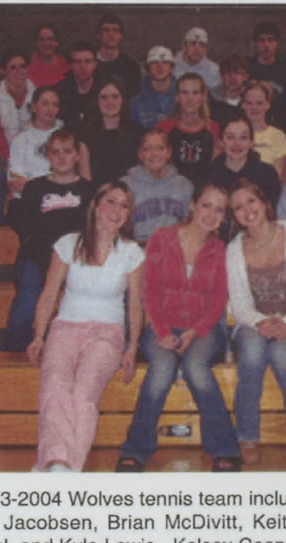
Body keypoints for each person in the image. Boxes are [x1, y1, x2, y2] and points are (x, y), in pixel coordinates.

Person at [117, 183, 241, 473]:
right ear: (193, 205)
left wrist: (195, 331)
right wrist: (162, 331)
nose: (211, 215)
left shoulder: (219, 250)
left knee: (197, 367)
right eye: (206, 206)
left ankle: (224, 448)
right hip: (162, 326)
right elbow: (150, 291)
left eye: (219, 210)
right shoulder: (161, 239)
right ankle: (136, 449)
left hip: (204, 330)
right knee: (161, 370)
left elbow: (218, 301)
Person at [27, 181, 144, 472]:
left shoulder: (132, 252)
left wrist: (132, 347)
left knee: (83, 393)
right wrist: (39, 336)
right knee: (55, 385)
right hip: (65, 327)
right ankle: (57, 462)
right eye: (111, 202)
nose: (116, 211)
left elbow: (135, 304)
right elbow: (49, 293)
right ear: (95, 205)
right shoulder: (68, 244)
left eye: (124, 205)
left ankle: (65, 467)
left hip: (108, 333)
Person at [227, 179, 286, 464]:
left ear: (264, 203)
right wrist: (260, 322)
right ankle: (247, 435)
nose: (247, 210)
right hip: (253, 324)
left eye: (251, 201)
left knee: (281, 354)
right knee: (253, 351)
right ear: (234, 216)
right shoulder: (234, 249)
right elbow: (239, 304)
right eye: (238, 207)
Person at [5, 129, 95, 351]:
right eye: (55, 152)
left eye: (67, 151)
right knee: (26, 302)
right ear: (48, 156)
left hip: (76, 258)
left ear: (77, 156)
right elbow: (27, 229)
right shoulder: (34, 188)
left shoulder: (88, 190)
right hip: (37, 256)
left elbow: (91, 231)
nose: (61, 157)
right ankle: (18, 351)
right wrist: (47, 258)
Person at [0, 49, 35, 225]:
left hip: (31, 151)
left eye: (22, 66)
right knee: (1, 172)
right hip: (2, 153)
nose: (19, 71)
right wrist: (11, 160)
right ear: (3, 70)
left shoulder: (37, 93)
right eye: (13, 68)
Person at [122, 128, 193, 246]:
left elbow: (189, 225)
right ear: (140, 154)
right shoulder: (126, 185)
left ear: (169, 152)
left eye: (160, 148)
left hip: (173, 248)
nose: (154, 153)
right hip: (137, 248)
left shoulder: (184, 185)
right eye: (147, 149)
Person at [7, 85, 64, 229]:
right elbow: (16, 183)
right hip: (29, 205)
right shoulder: (20, 141)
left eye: (55, 104)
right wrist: (47, 186)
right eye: (45, 103)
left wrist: (31, 185)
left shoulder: (66, 138)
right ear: (33, 107)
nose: (50, 109)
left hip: (61, 203)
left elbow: (66, 178)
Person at [206, 113, 281, 219]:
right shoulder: (209, 174)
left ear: (251, 142)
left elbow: (271, 214)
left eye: (243, 138)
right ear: (221, 142)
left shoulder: (267, 174)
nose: (237, 143)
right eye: (230, 137)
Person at [157, 72, 220, 186]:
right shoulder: (163, 128)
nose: (190, 98)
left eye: (195, 93)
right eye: (184, 92)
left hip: (205, 189)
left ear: (203, 96)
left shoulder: (215, 129)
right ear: (177, 97)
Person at [83, 76, 142, 188]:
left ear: (123, 100)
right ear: (97, 101)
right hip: (98, 195)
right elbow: (86, 181)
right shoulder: (86, 136)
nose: (109, 102)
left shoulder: (137, 133)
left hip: (131, 193)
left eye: (115, 97)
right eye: (104, 97)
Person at [241, 80, 286, 181]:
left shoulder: (278, 136)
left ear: (267, 104)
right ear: (243, 105)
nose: (254, 107)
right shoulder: (234, 134)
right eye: (249, 103)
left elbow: (278, 175)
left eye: (259, 103)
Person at [56, 41, 99, 139]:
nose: (83, 67)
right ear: (70, 65)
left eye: (88, 61)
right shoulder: (59, 91)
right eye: (77, 62)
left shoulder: (105, 90)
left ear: (95, 64)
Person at [94, 13, 141, 98]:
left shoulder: (131, 66)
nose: (111, 34)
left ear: (121, 36)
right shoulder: (88, 63)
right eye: (106, 30)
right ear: (98, 34)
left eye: (115, 30)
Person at [129, 46, 177, 129]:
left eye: (164, 62)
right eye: (154, 62)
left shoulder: (184, 95)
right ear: (147, 68)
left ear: (172, 68)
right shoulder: (135, 102)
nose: (159, 66)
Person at [247, 22, 286, 95]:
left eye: (270, 40)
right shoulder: (246, 66)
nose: (266, 45)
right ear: (255, 42)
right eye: (261, 40)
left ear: (277, 42)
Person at [209, 54, 250, 124]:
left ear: (245, 76)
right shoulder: (212, 98)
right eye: (228, 73)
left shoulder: (252, 98)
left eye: (237, 73)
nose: (232, 77)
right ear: (222, 76)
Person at [27, 23, 70, 87]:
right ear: (36, 43)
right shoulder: (27, 68)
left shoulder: (67, 68)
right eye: (42, 39)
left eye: (50, 39)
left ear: (57, 42)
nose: (46, 43)